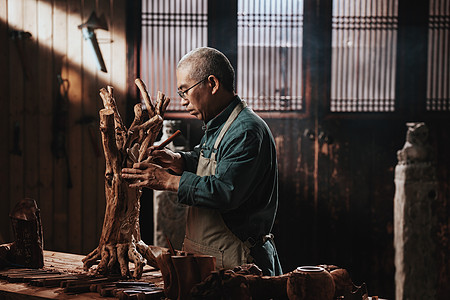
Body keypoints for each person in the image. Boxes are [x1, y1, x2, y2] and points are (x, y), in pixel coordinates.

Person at [121, 47, 282, 276]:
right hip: (212, 258)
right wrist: (177, 161)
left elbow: (226, 190)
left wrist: (168, 181)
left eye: (185, 91)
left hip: (239, 262)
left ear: (213, 84)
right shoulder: (218, 122)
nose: (183, 101)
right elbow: (207, 160)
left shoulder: (245, 130)